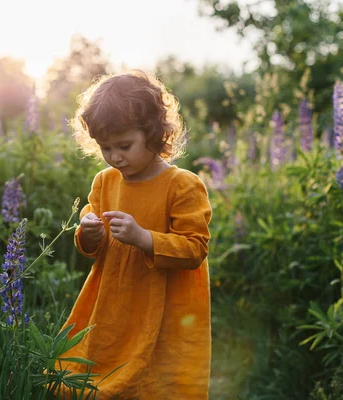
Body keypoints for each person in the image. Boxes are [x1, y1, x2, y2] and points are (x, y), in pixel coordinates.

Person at [51, 70, 212, 400]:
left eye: (124, 145)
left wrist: (144, 238)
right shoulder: (105, 182)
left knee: (156, 381)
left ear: (153, 133)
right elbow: (88, 243)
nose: (114, 157)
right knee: (101, 373)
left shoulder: (183, 185)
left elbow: (195, 247)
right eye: (105, 147)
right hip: (115, 302)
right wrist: (89, 233)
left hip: (163, 306)